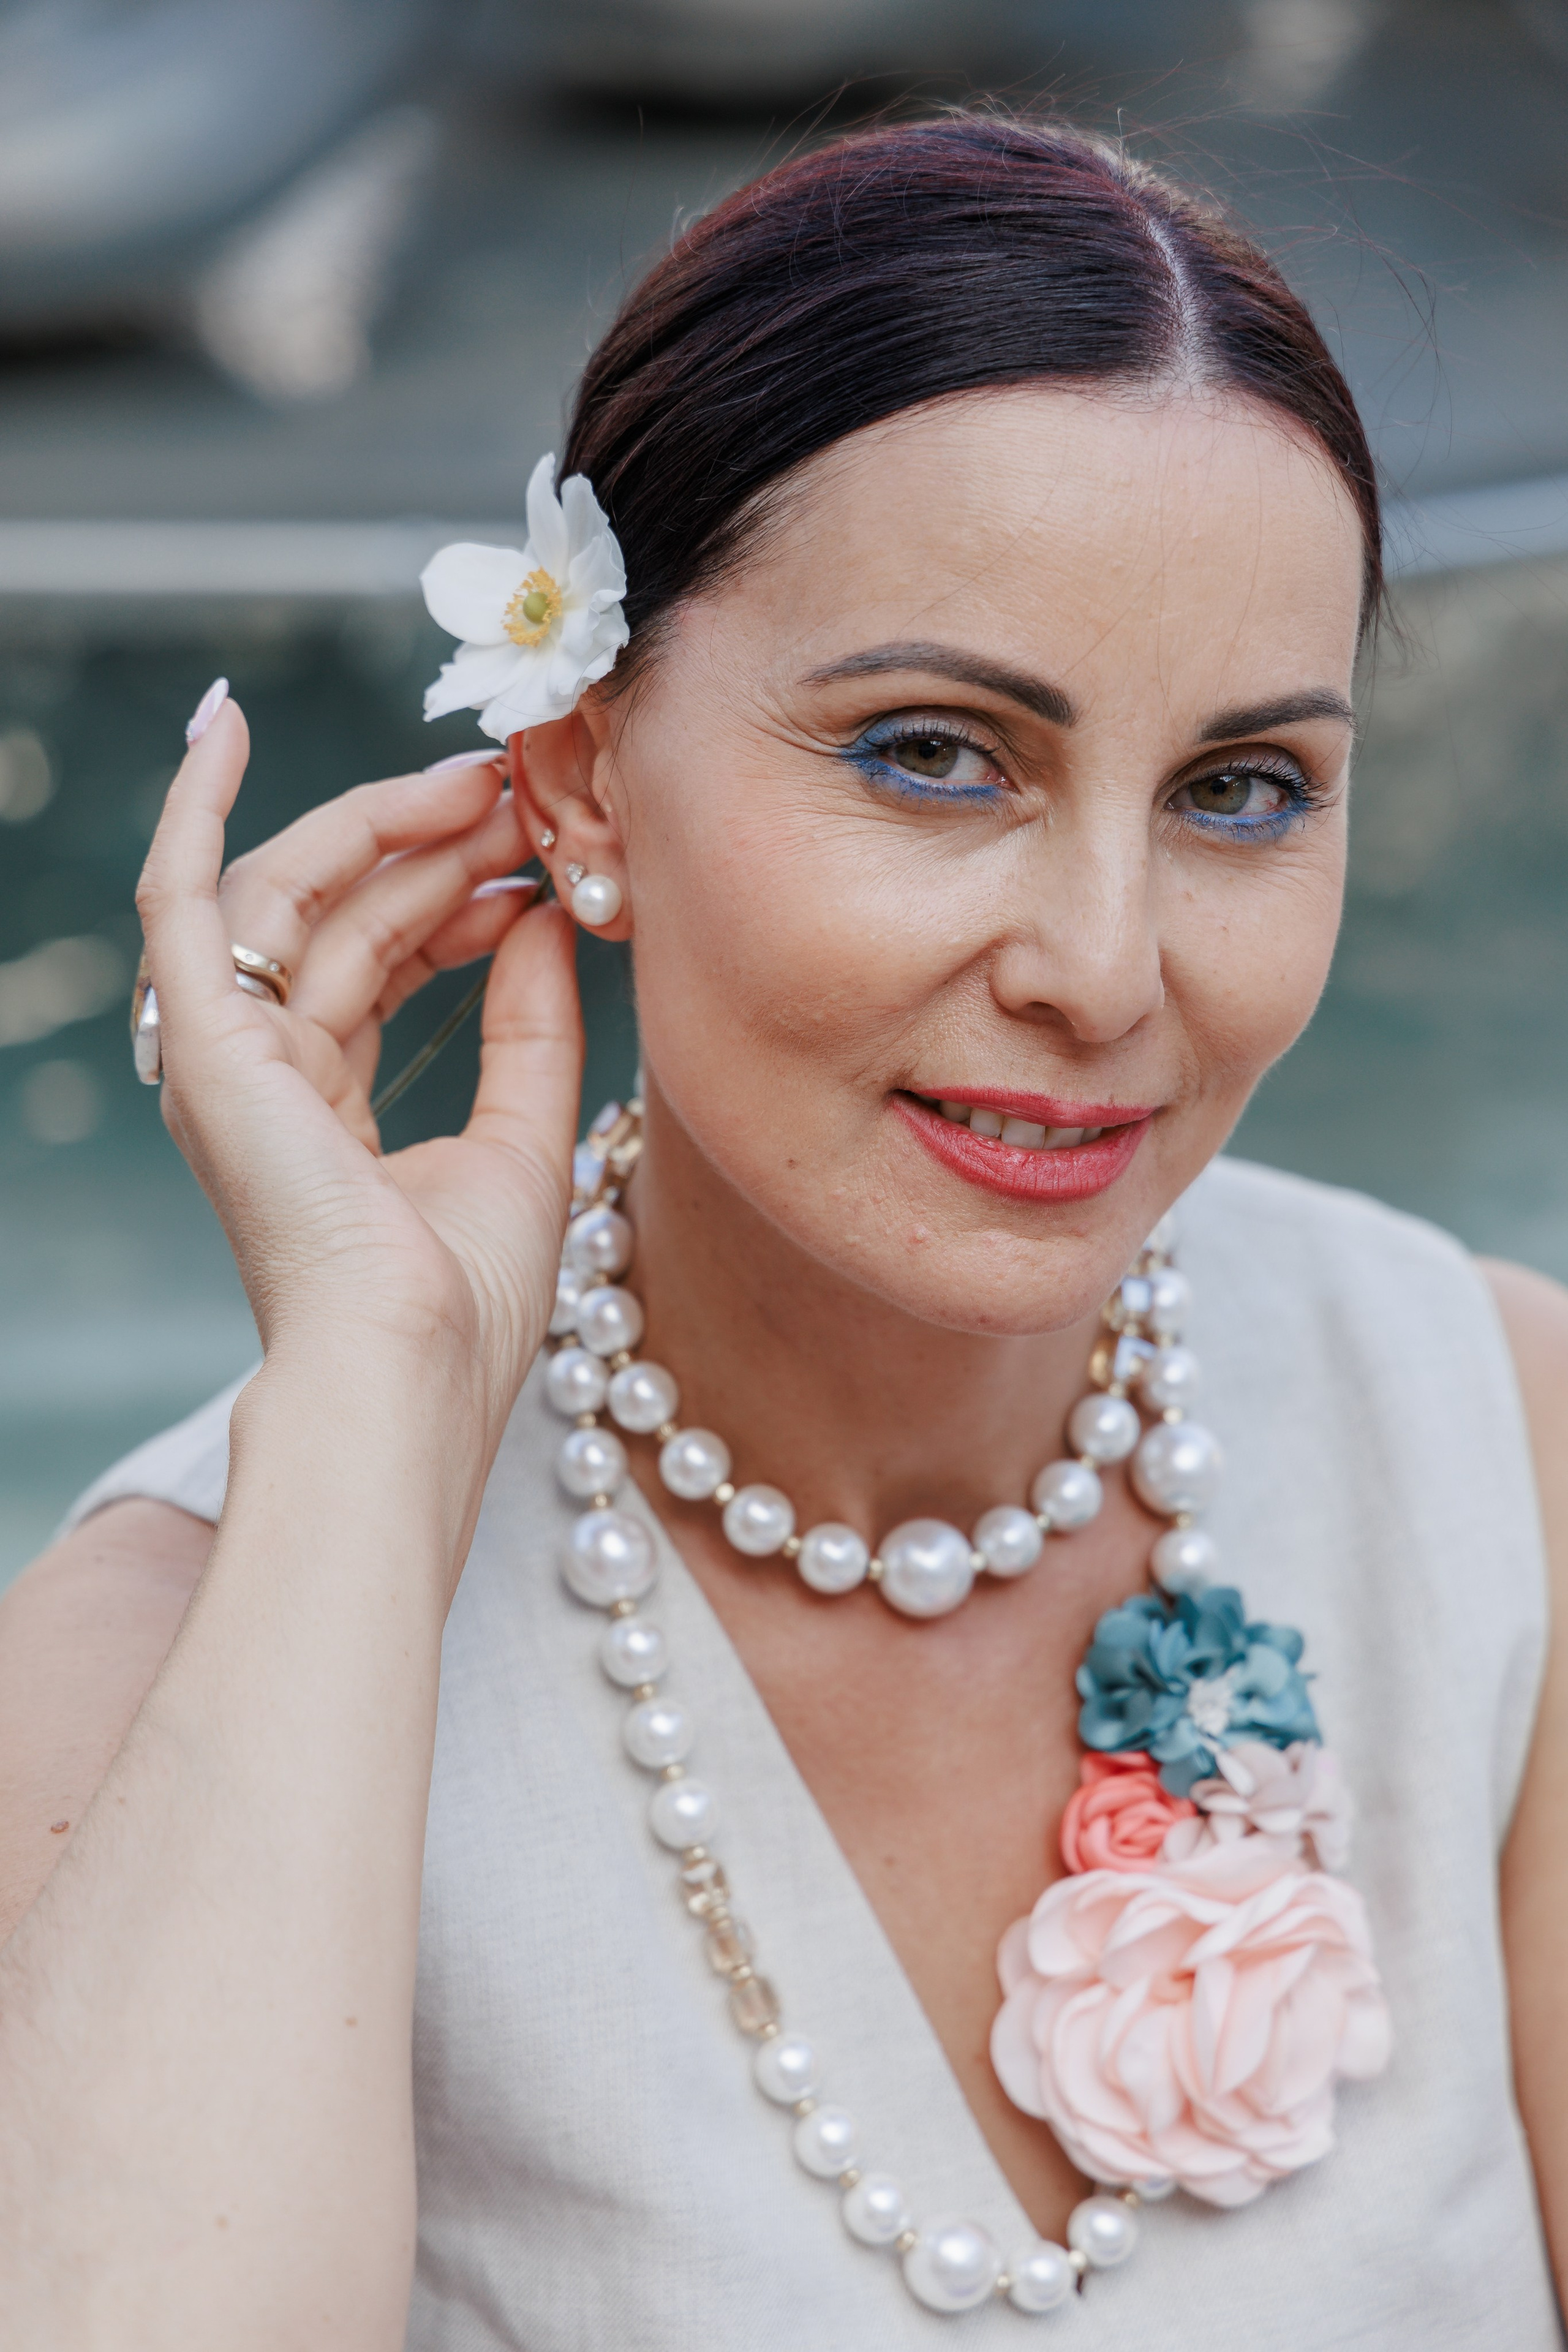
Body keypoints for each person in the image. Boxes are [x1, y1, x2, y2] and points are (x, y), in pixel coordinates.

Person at [1, 109, 1565, 2349]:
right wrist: (365, 1402)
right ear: (581, 780)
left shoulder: (1496, 1458)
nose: (1106, 969)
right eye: (938, 753)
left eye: (1242, 791)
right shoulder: (163, 1646)